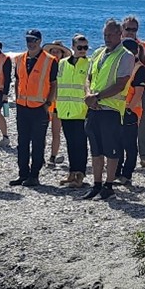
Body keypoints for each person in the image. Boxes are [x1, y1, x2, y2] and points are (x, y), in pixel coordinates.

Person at [83, 19, 134, 200]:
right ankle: (96, 184)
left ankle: (109, 185)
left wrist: (96, 97)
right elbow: (89, 78)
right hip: (94, 108)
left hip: (111, 109)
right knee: (95, 149)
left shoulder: (126, 56)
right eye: (105, 35)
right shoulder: (98, 53)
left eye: (111, 34)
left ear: (120, 34)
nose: (107, 38)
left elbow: (120, 84)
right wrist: (89, 96)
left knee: (111, 149)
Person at [9, 29, 58, 187]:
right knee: (22, 142)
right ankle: (23, 173)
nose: (31, 43)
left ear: (39, 41)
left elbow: (53, 85)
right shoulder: (19, 59)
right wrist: (17, 99)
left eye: (34, 40)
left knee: (38, 142)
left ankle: (34, 175)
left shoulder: (50, 60)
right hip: (23, 106)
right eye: (28, 40)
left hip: (39, 108)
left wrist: (48, 104)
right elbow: (17, 80)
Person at [122, 15, 145, 169]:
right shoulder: (117, 45)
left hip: (139, 89)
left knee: (143, 122)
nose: (131, 32)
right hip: (120, 91)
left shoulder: (143, 46)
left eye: (134, 29)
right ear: (122, 29)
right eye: (128, 29)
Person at [56, 34, 91, 188]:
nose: (83, 50)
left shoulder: (90, 64)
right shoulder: (62, 63)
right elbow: (57, 85)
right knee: (70, 143)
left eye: (85, 47)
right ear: (73, 47)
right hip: (65, 110)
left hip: (82, 111)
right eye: (80, 47)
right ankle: (72, 172)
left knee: (81, 143)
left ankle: (80, 174)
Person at [117, 37, 145, 187]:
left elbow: (138, 93)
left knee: (129, 144)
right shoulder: (121, 65)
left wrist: (129, 109)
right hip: (117, 109)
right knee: (117, 142)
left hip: (131, 111)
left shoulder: (139, 68)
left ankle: (127, 173)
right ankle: (116, 171)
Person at [44, 40, 71, 166]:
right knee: (42, 131)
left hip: (59, 103)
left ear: (62, 54)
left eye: (57, 51)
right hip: (46, 102)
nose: (55, 53)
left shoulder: (65, 66)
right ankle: (41, 155)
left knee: (56, 132)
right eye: (53, 51)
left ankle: (53, 156)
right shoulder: (46, 65)